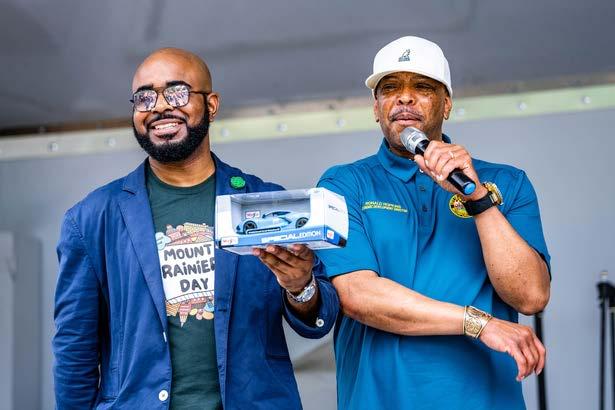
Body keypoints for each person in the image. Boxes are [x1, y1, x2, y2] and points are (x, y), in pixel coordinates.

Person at [52, 48, 339, 409]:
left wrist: (300, 286)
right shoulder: (92, 218)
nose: (159, 107)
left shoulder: (265, 204)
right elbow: (74, 348)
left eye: (177, 93)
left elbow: (319, 317)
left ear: (212, 105)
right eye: (145, 97)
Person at [315, 36, 551, 409]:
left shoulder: (506, 183)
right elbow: (359, 296)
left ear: (447, 103)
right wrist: (479, 323)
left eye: (422, 87)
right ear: (376, 108)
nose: (404, 98)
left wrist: (477, 198)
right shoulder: (344, 184)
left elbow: (531, 296)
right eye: (390, 88)